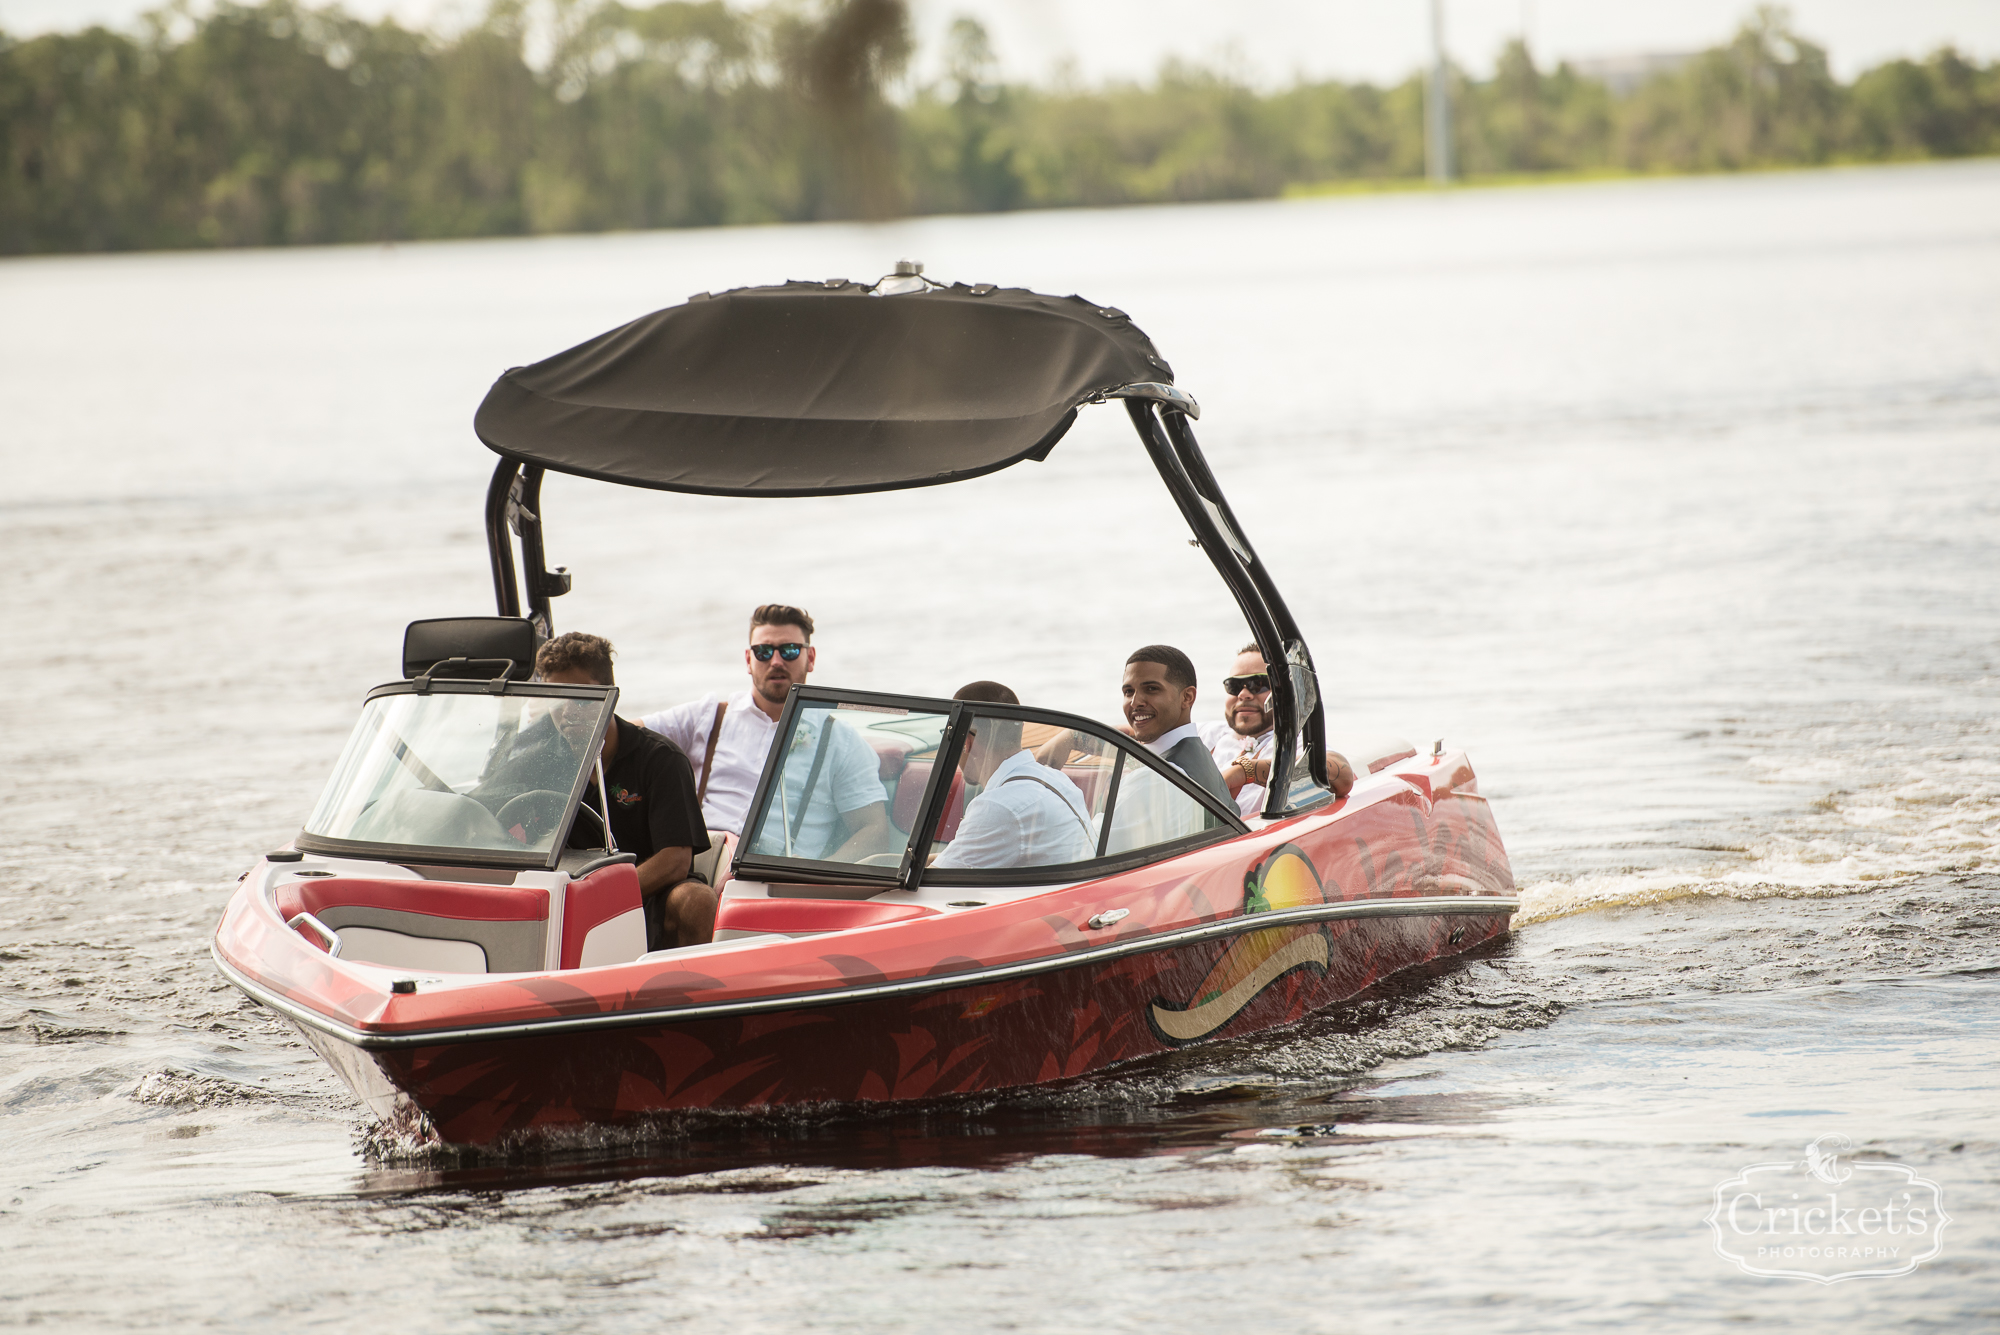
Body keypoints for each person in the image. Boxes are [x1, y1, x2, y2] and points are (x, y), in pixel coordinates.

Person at [642, 604, 890, 863]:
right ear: (749, 660)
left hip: (774, 879)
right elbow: (622, 735)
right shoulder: (708, 717)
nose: (776, 661)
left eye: (790, 650)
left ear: (811, 658)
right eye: (763, 651)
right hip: (699, 862)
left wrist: (813, 881)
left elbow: (872, 831)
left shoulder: (841, 740)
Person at [535, 633, 715, 950]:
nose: (567, 713)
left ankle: (693, 992)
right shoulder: (532, 760)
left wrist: (602, 899)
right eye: (556, 700)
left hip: (646, 897)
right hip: (559, 895)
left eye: (580, 699)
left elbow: (676, 860)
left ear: (610, 696)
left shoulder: (661, 759)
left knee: (696, 899)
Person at [933, 682, 1095, 870]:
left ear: (965, 742)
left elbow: (932, 880)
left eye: (950, 734)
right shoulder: (1057, 780)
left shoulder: (999, 806)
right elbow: (958, 857)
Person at [1200, 643, 1358, 815]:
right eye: (1234, 686)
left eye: (1258, 684)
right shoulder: (1212, 735)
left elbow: (1343, 775)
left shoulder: (1292, 744)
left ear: (1286, 692)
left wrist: (1246, 771)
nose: (1243, 694)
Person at [1121, 645, 1232, 807]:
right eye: (1128, 692)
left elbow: (1088, 833)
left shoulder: (1153, 778)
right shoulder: (1201, 757)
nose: (1135, 702)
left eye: (1151, 689)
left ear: (1187, 697)